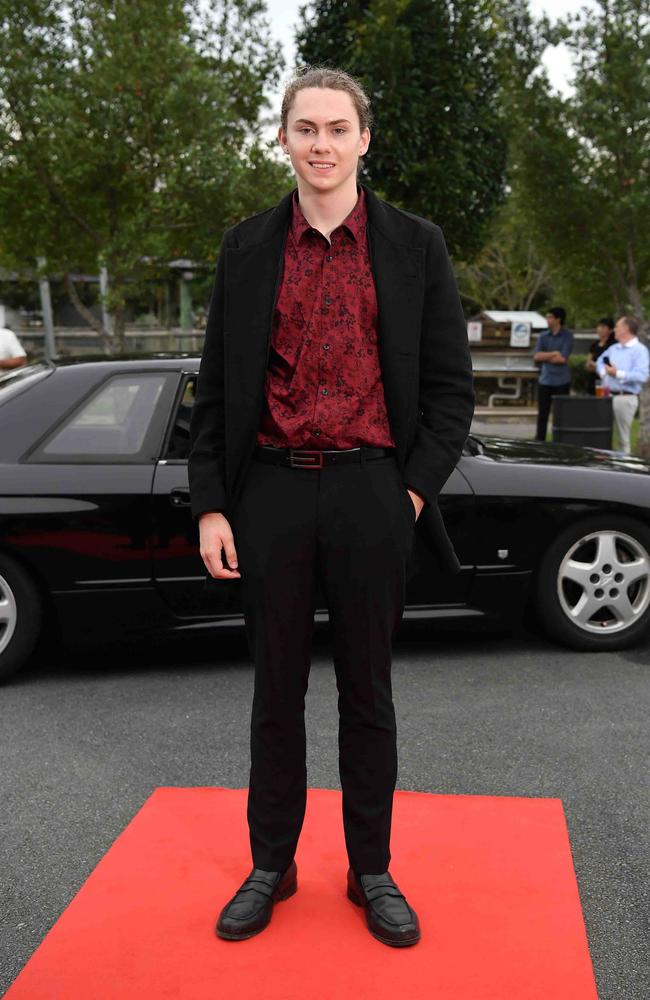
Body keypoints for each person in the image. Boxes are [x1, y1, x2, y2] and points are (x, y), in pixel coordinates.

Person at [188, 66, 474, 948]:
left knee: (368, 693)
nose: (320, 143)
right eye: (304, 128)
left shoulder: (416, 246)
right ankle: (270, 865)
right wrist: (210, 507)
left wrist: (412, 492)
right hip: (268, 489)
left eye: (336, 128)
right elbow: (215, 390)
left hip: (372, 491)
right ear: (282, 138)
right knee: (276, 694)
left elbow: (449, 391)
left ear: (363, 140)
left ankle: (371, 869)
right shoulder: (244, 247)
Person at [596, 315, 649, 453]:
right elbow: (600, 361)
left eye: (617, 326)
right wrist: (604, 372)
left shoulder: (640, 351)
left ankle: (624, 470)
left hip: (625, 398)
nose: (614, 329)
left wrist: (617, 373)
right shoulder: (614, 348)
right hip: (606, 397)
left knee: (622, 439)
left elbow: (642, 376)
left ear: (626, 329)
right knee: (601, 435)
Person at [533, 307, 573, 441]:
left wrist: (548, 356)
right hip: (545, 381)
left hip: (562, 381)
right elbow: (537, 356)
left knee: (561, 415)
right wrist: (554, 353)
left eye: (550, 317)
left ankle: (559, 442)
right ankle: (540, 441)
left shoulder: (567, 336)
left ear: (558, 319)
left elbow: (562, 359)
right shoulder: (543, 336)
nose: (547, 320)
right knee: (542, 414)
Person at [585, 317, 615, 395]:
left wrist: (597, 367)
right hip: (592, 381)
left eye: (603, 327)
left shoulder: (614, 346)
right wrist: (591, 366)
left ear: (611, 330)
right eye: (599, 326)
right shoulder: (594, 345)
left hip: (606, 382)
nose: (599, 329)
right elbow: (588, 363)